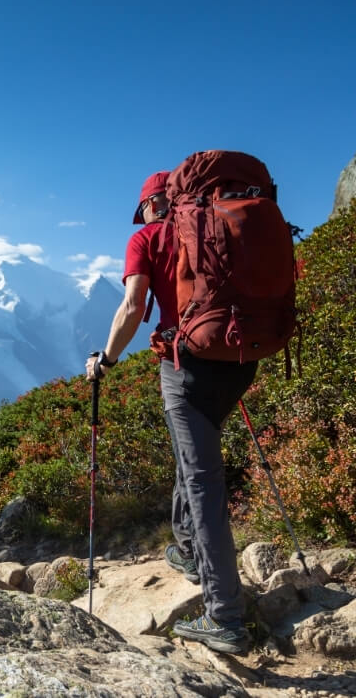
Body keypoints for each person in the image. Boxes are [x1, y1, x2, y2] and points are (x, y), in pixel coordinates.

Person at [84, 170, 257, 655]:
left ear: (150, 206)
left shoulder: (146, 237)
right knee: (195, 452)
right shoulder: (216, 227)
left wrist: (107, 360)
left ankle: (225, 614)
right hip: (241, 359)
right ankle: (186, 548)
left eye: (142, 210)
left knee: (202, 479)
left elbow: (134, 305)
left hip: (187, 367)